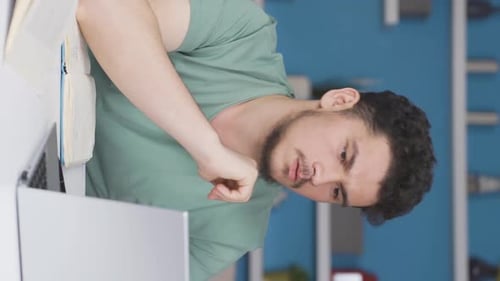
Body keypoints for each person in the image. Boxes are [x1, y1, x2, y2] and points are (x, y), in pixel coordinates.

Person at [76, 0, 436, 280]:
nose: (319, 178)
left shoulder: (235, 232)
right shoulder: (242, 35)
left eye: (337, 193)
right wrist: (207, 148)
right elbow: (100, 7)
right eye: (344, 155)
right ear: (338, 101)